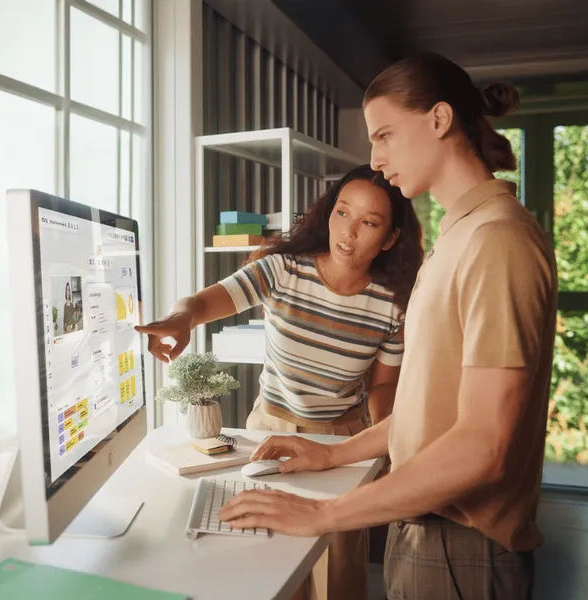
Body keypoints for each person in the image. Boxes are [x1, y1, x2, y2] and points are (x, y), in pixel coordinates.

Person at [218, 52, 559, 600]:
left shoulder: (496, 240)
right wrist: (330, 454)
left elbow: (483, 446)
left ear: (440, 119)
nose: (375, 161)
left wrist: (324, 514)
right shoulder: (459, 235)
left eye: (384, 136)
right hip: (427, 530)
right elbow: (429, 415)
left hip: (460, 547)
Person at [136, 164, 423, 600]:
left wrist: (387, 442)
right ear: (328, 213)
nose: (349, 232)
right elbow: (202, 302)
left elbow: (383, 387)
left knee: (337, 572)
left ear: (389, 239)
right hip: (268, 433)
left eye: (369, 223)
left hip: (340, 443)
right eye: (342, 213)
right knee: (266, 567)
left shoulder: (393, 306)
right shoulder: (280, 270)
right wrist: (181, 318)